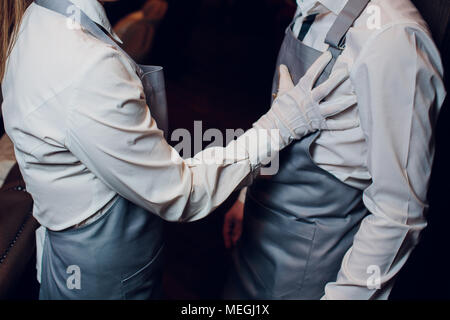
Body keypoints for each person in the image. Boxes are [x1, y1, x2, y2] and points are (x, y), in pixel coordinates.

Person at [0, 0, 356, 299]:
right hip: (104, 277)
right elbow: (182, 193)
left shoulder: (42, 17)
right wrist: (279, 125)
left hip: (72, 257)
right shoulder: (83, 62)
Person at [223, 0, 446, 300]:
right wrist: (246, 196)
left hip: (308, 258)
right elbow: (282, 110)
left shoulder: (393, 37)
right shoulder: (308, 8)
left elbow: (398, 212)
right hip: (257, 227)